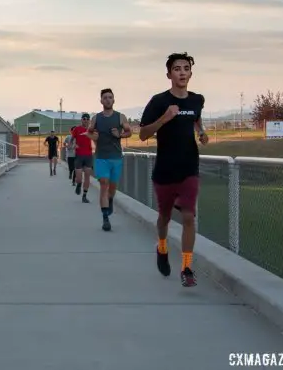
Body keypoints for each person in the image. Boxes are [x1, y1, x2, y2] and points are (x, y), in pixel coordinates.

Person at [139, 52, 208, 288]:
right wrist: (164, 119)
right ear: (169, 74)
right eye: (177, 68)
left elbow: (196, 119)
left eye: (186, 68)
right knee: (165, 218)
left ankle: (187, 267)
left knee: (189, 216)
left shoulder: (197, 99)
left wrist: (201, 132)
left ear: (190, 73)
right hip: (165, 169)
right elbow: (143, 134)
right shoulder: (158, 101)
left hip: (189, 166)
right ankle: (162, 246)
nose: (182, 72)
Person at [87, 89, 132, 232]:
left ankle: (110, 200)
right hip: (101, 157)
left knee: (112, 188)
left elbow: (129, 132)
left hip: (116, 157)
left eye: (110, 97)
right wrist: (94, 137)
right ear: (101, 101)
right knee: (104, 184)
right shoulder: (96, 118)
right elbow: (89, 131)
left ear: (114, 100)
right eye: (105, 98)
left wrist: (119, 134)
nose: (107, 100)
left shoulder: (120, 117)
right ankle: (105, 218)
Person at [71, 113, 93, 203]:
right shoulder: (77, 129)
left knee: (87, 176)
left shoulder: (92, 130)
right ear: (81, 120)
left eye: (87, 118)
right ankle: (79, 184)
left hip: (88, 155)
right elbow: (71, 141)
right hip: (79, 155)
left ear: (89, 120)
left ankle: (84, 195)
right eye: (84, 118)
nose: (85, 120)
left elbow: (96, 139)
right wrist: (73, 145)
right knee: (79, 178)